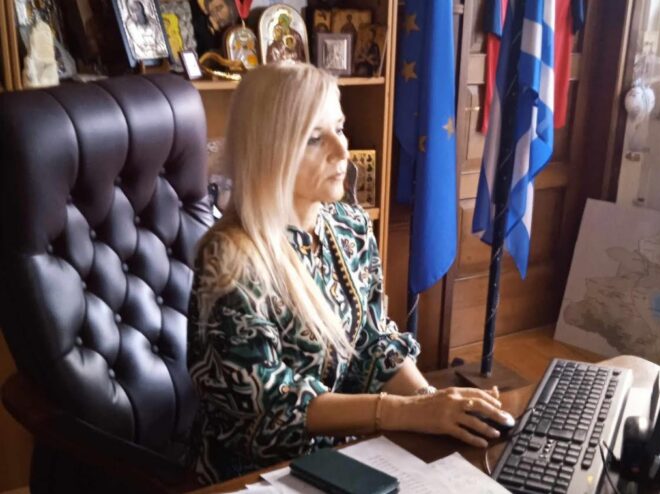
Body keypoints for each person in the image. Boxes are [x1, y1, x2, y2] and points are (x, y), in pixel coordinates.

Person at [186, 63, 514, 485]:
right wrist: (405, 413)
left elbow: (371, 343)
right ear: (270, 148)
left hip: (345, 454)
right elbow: (267, 407)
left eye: (339, 128)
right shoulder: (229, 259)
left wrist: (431, 401)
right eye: (314, 138)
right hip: (256, 475)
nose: (342, 150)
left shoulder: (349, 226)